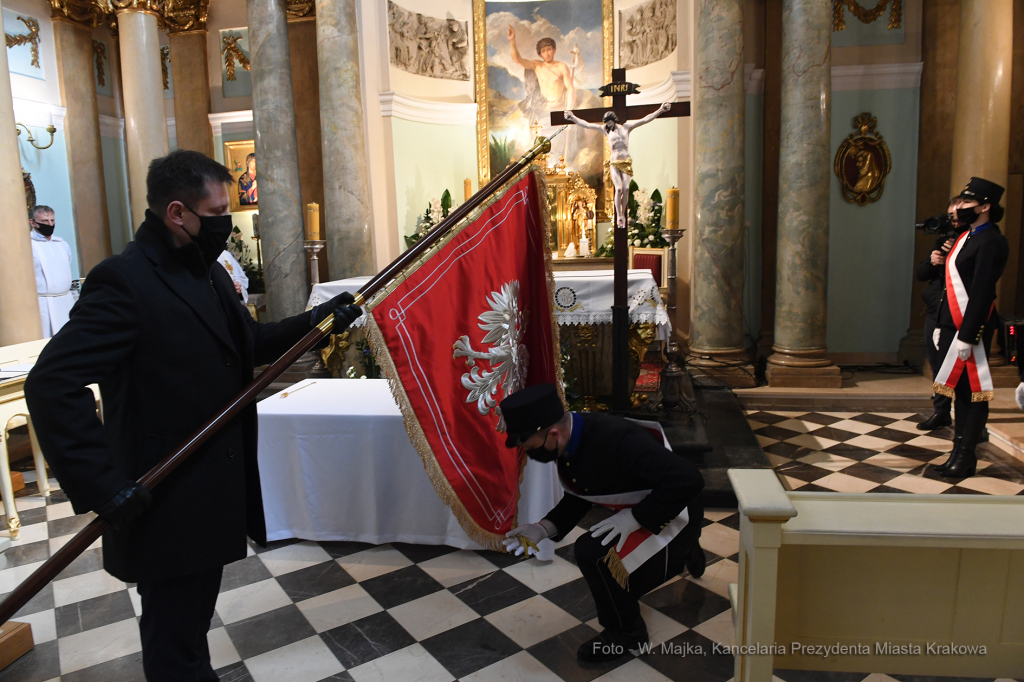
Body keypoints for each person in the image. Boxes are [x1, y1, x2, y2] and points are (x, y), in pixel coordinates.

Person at [24, 149, 362, 681]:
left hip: (208, 485)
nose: (226, 224)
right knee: (173, 637)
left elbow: (245, 344)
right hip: (162, 493)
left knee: (189, 629)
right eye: (217, 213)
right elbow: (51, 383)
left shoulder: (206, 274)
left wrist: (319, 319)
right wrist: (102, 483)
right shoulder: (125, 282)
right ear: (177, 213)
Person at [499, 384, 705, 664]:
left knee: (595, 553)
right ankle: (686, 550)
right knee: (599, 552)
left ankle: (627, 632)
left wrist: (634, 518)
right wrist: (544, 527)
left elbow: (688, 480)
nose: (524, 449)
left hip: (676, 510)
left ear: (554, 433)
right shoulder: (572, 438)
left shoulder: (617, 438)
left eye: (527, 442)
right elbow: (585, 491)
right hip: (649, 502)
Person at [930, 177, 1009, 478]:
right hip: (952, 324)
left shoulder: (991, 241)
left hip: (970, 328)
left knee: (972, 392)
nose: (959, 207)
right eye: (959, 201)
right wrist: (942, 324)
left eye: (966, 203)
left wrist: (966, 335)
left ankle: (965, 455)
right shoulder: (969, 236)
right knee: (959, 392)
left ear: (985, 206)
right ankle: (958, 452)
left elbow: (981, 292)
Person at [564, 103, 672, 228]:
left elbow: (645, 119)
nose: (608, 125)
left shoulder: (626, 127)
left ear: (613, 120)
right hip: (614, 163)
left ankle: (623, 213)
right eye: (606, 123)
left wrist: (660, 110)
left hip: (626, 162)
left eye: (609, 122)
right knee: (619, 188)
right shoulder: (605, 129)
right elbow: (587, 125)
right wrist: (572, 117)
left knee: (626, 188)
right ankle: (619, 215)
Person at [915, 197, 967, 431]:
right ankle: (942, 410)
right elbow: (922, 274)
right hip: (937, 310)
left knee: (964, 372)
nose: (952, 219)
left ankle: (970, 420)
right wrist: (934, 261)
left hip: (960, 312)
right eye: (949, 215)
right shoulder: (942, 241)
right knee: (938, 365)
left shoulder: (972, 240)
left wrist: (950, 262)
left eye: (955, 214)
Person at [507, 28, 576, 123]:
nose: (547, 54)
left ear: (554, 50)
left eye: (549, 49)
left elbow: (571, 89)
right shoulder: (537, 65)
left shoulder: (562, 67)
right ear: (540, 54)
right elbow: (517, 60)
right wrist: (512, 41)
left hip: (558, 108)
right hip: (542, 108)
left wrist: (568, 111)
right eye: (543, 51)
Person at [28, 205, 75, 338]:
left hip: (66, 300)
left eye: (52, 221)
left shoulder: (61, 244)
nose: (50, 224)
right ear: (33, 223)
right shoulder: (28, 245)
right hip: (43, 303)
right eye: (45, 221)